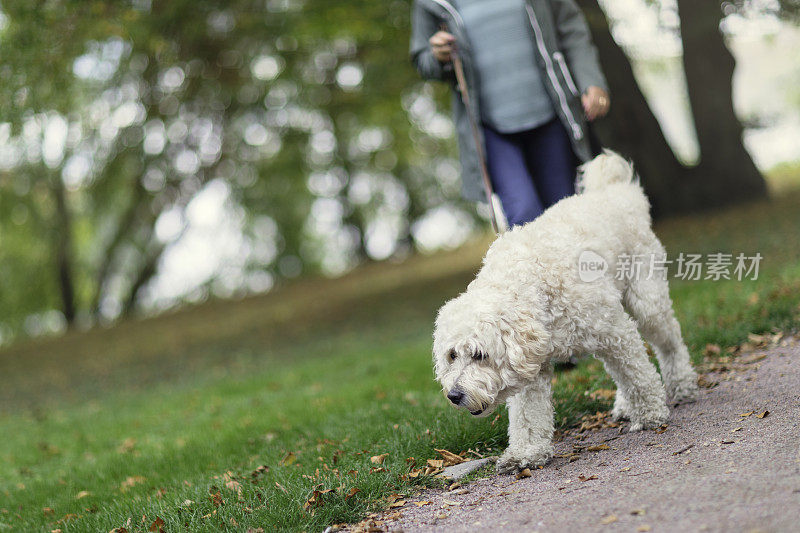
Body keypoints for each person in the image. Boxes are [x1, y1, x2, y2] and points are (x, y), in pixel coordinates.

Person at [409, 0, 610, 228]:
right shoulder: (431, 3)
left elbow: (571, 28)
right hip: (492, 130)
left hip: (551, 117)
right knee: (524, 215)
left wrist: (591, 80)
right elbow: (423, 61)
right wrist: (437, 55)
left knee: (567, 215)